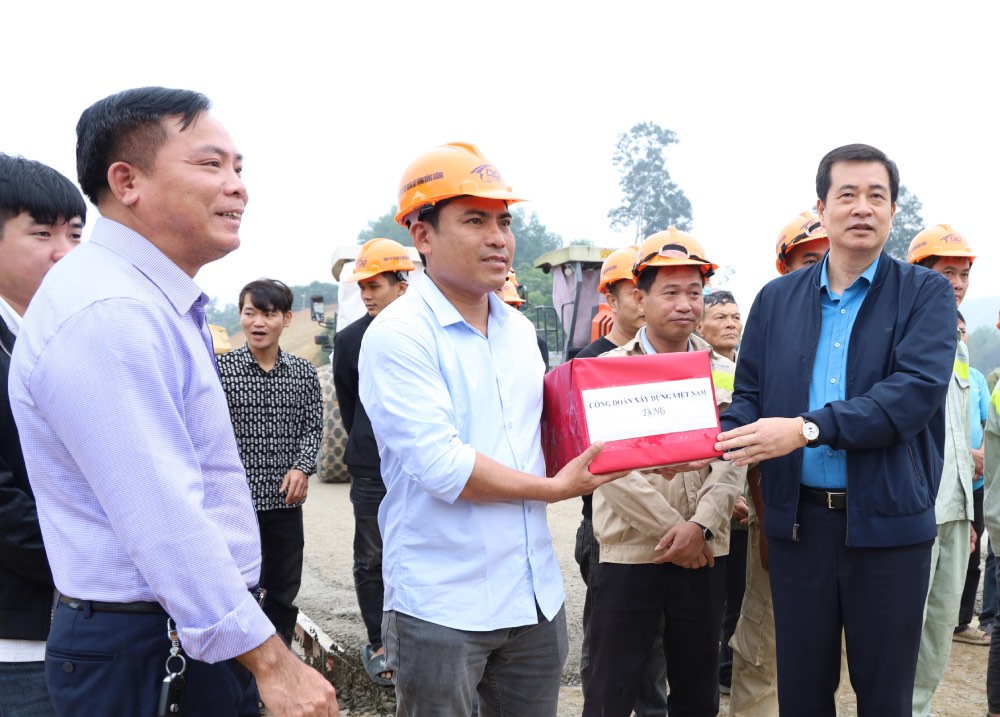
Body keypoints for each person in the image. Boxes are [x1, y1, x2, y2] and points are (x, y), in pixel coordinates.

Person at [7, 87, 338, 717]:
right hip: (147, 642)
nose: (237, 186)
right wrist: (271, 661)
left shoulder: (145, 299)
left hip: (173, 633)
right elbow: (163, 518)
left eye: (240, 168)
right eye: (211, 165)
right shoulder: (109, 312)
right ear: (127, 181)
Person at [359, 141, 625, 717]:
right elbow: (441, 465)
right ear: (422, 235)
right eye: (474, 220)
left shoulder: (517, 331)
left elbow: (549, 438)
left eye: (504, 221)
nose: (499, 238)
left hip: (532, 598)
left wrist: (648, 446)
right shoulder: (399, 334)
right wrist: (554, 490)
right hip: (442, 604)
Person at [716, 143, 957, 717]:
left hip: (890, 528)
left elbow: (910, 397)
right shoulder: (776, 301)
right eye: (846, 194)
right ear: (821, 208)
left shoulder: (924, 295)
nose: (861, 207)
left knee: (884, 696)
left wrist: (805, 430)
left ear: (894, 211)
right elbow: (747, 397)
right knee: (800, 692)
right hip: (799, 527)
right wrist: (708, 440)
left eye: (877, 195)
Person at [583, 228, 744, 717]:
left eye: (694, 293)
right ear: (640, 297)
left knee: (697, 691)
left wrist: (700, 527)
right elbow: (607, 464)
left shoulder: (726, 371)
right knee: (612, 689)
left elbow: (732, 456)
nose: (684, 304)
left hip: (706, 552)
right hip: (631, 552)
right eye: (669, 292)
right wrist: (673, 531)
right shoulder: (609, 370)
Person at [0, 153, 85, 717]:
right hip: (18, 637)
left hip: (78, 624)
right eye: (41, 233)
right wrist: (90, 556)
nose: (64, 251)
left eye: (75, 234)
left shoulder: (62, 338)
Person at [573, 245, 668, 717]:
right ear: (611, 298)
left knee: (655, 650)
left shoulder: (668, 360)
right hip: (609, 530)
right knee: (609, 649)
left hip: (668, 527)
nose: (640, 298)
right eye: (631, 290)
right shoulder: (594, 363)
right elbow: (598, 459)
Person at [217, 278, 323, 646]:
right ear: (240, 316)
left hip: (283, 503)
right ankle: (239, 672)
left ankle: (277, 668)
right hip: (233, 506)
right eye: (250, 313)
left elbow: (313, 427)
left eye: (268, 314)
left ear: (286, 318)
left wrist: (302, 466)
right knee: (235, 590)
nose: (258, 323)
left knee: (281, 590)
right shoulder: (220, 373)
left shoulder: (303, 374)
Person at [332, 238, 413, 686]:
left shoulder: (425, 332)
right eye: (362, 286)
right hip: (371, 466)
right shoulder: (350, 340)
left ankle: (417, 636)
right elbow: (349, 403)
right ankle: (379, 642)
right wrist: (369, 440)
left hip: (419, 462)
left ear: (402, 285)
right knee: (372, 556)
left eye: (375, 285)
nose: (366, 294)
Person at [906, 224, 979, 715]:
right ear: (920, 274)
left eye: (964, 273)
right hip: (917, 506)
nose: (957, 281)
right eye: (946, 271)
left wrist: (970, 513)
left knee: (940, 623)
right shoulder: (905, 331)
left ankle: (919, 707)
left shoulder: (960, 338)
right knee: (905, 623)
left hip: (955, 506)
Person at [697, 288, 748, 695]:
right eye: (721, 317)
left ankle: (729, 672)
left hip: (749, 501)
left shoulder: (748, 367)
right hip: (713, 502)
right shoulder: (696, 368)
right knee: (712, 600)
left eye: (735, 316)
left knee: (742, 596)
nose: (731, 323)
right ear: (700, 324)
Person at [955, 312, 991, 643]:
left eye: (964, 332)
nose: (960, 338)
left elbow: (983, 424)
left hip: (976, 482)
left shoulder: (978, 378)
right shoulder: (933, 377)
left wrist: (979, 459)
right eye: (955, 332)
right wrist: (967, 457)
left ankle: (962, 621)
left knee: (972, 550)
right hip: (948, 482)